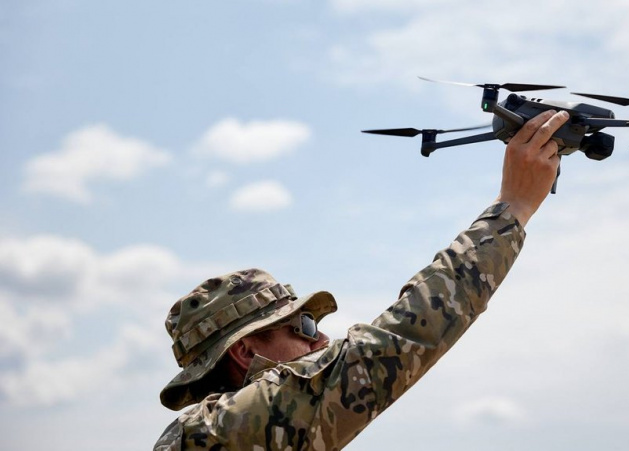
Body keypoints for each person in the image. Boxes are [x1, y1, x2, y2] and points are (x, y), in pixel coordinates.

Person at [154, 109, 571, 450]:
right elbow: (394, 341)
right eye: (302, 327)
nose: (321, 339)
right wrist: (512, 207)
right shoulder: (219, 431)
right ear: (245, 351)